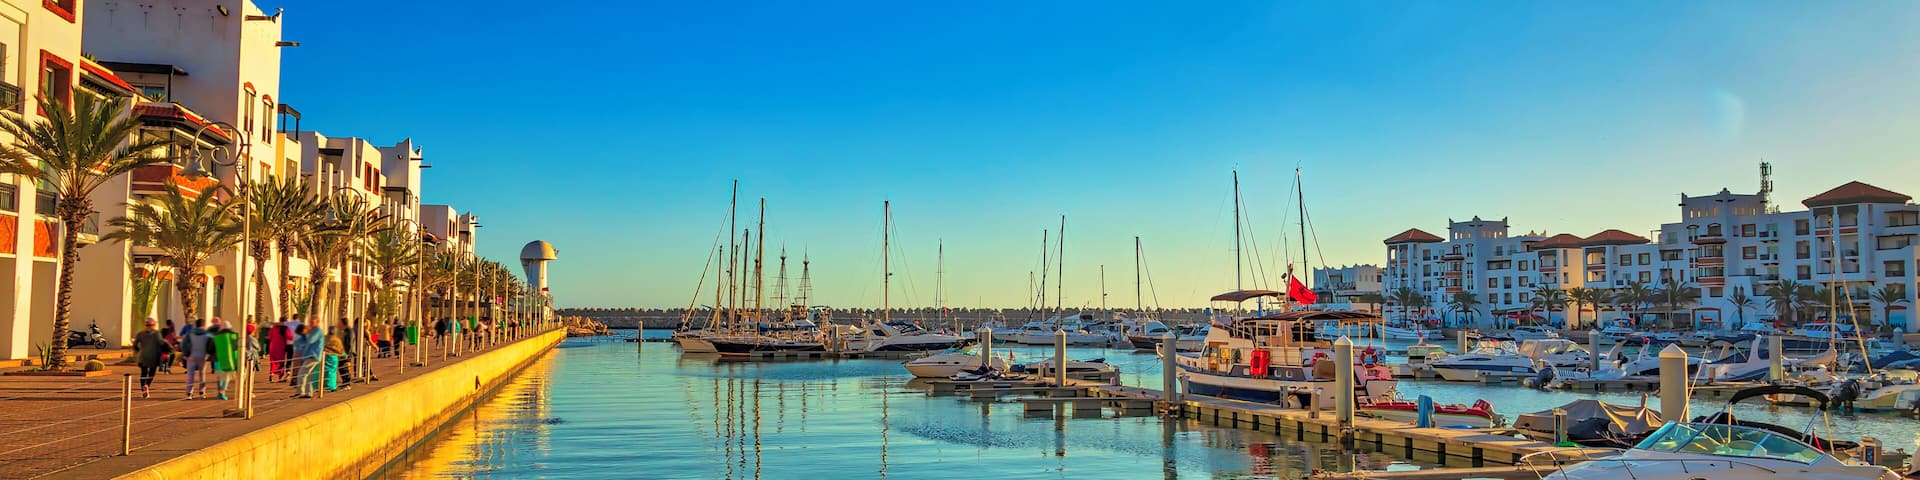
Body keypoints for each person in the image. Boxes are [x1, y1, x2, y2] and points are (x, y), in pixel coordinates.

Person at [131, 318, 168, 398]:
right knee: (151, 373)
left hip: (143, 356)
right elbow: (161, 343)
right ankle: (147, 385)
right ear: (153, 325)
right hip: (154, 357)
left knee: (143, 373)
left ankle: (143, 387)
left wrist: (137, 351)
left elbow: (135, 344)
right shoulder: (156, 333)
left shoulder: (140, 334)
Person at [180, 319, 212, 399]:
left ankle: (189, 393)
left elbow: (184, 344)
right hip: (202, 356)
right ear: (203, 325)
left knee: (190, 375)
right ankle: (202, 392)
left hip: (192, 356)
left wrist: (186, 354)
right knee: (202, 374)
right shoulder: (207, 334)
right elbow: (211, 345)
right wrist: (208, 355)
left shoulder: (190, 333)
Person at [210, 319, 240, 401]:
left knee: (220, 376)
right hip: (230, 359)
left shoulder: (216, 336)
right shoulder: (234, 335)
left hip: (218, 359)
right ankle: (222, 392)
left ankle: (220, 391)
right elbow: (237, 347)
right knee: (226, 376)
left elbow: (210, 348)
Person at [293, 324, 325, 398]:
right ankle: (308, 392)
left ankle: (301, 392)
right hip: (311, 356)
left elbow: (307, 344)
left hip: (312, 356)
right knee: (309, 375)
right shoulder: (308, 336)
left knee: (302, 373)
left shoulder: (312, 335)